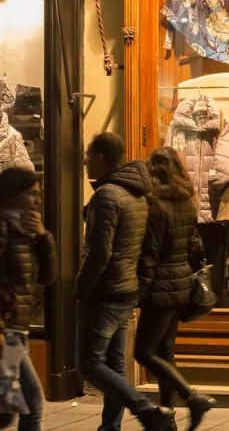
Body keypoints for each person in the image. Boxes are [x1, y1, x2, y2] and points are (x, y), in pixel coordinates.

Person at [76, 133, 175, 431]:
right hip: (126, 286)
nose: (84, 161)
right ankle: (111, 426)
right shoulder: (137, 193)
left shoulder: (107, 195)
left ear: (101, 158)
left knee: (90, 363)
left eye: (88, 155)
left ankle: (145, 409)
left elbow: (98, 251)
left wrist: (81, 288)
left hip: (106, 290)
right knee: (115, 364)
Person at [135, 147, 216, 430]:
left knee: (144, 352)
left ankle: (192, 397)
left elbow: (150, 254)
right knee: (165, 351)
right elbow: (194, 246)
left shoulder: (156, 205)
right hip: (181, 283)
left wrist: (139, 291)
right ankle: (166, 413)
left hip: (161, 287)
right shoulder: (186, 202)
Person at [0, 168, 55, 431]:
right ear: (13, 195)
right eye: (31, 194)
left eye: (39, 194)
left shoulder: (28, 230)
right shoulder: (3, 227)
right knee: (32, 404)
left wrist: (44, 237)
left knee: (6, 408)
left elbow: (48, 278)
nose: (37, 200)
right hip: (7, 333)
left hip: (17, 331)